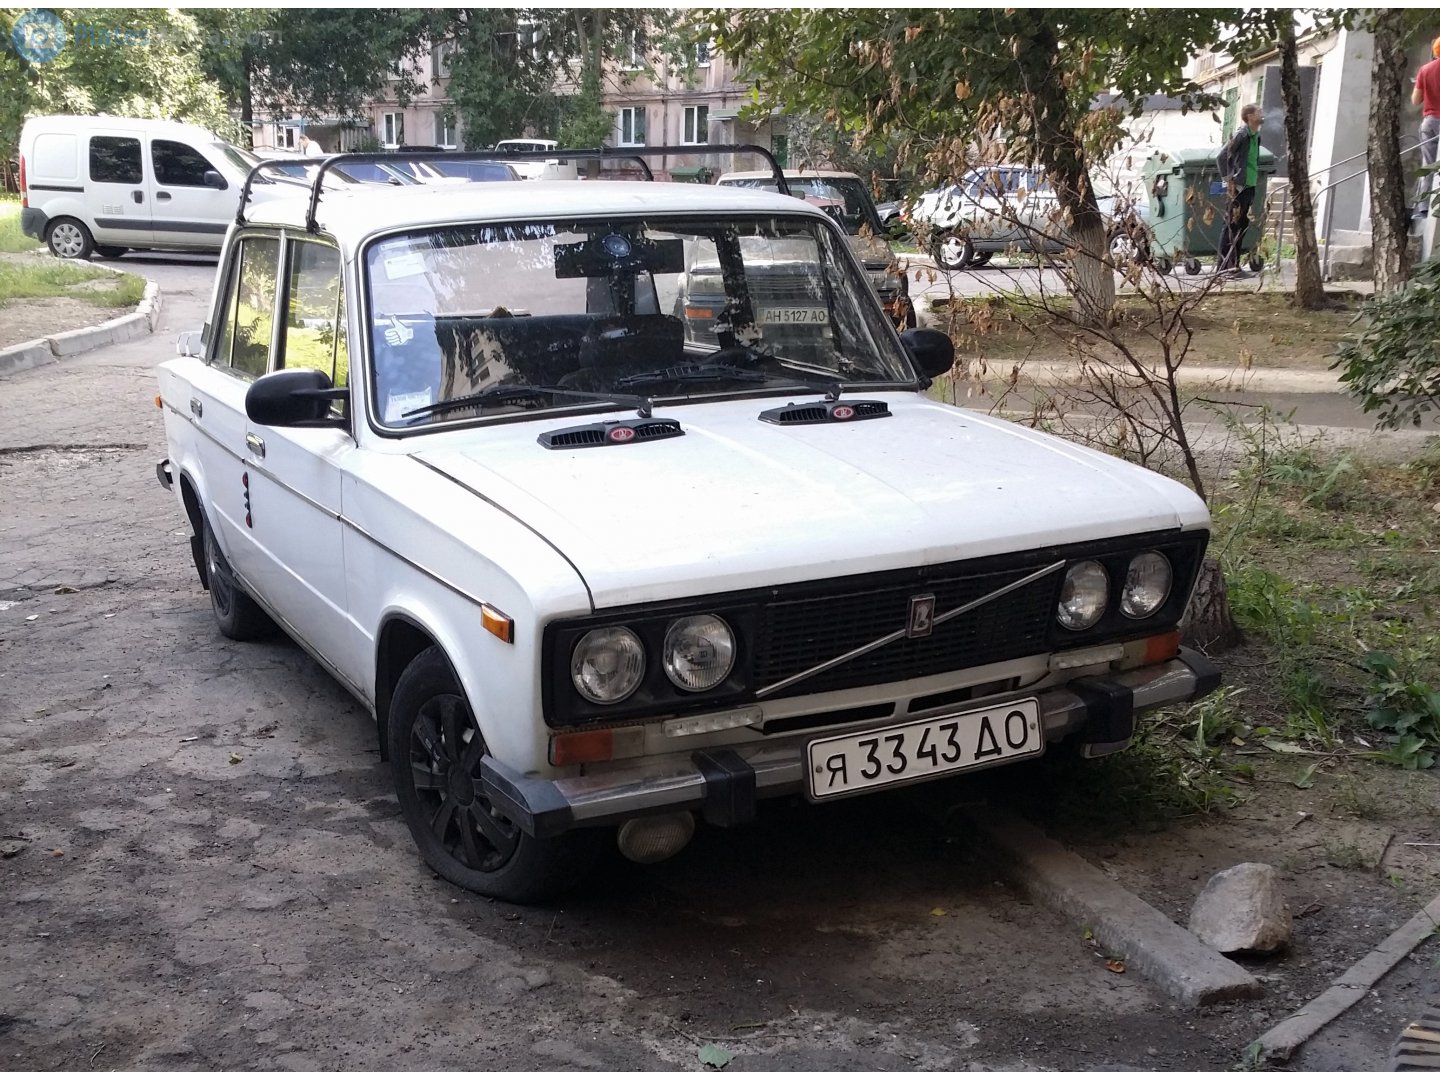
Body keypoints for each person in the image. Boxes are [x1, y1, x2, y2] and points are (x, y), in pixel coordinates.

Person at [1215, 103, 1264, 274]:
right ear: (1250, 117)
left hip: (1250, 186)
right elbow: (1221, 156)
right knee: (1231, 225)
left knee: (1242, 225)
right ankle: (1223, 267)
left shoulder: (1255, 136)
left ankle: (1234, 266)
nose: (1262, 114)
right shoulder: (1242, 135)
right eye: (1258, 112)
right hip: (1238, 187)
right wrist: (1229, 180)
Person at [1411, 36, 1440, 216]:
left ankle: (1423, 208)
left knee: (1428, 164)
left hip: (1429, 122)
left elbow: (1415, 100)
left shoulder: (1425, 69)